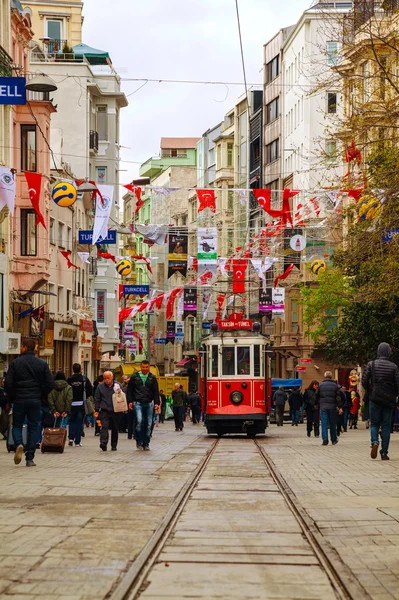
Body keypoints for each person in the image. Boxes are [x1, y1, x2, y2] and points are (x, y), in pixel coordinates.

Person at [4, 338, 53, 466]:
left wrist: (13, 396)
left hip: (19, 399)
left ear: (24, 347)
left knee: (17, 425)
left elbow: (8, 383)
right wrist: (41, 395)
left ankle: (19, 443)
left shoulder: (15, 363)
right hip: (35, 400)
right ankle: (30, 457)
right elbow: (49, 383)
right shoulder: (42, 364)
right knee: (33, 427)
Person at [362, 342, 399, 460]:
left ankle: (374, 442)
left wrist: (371, 390)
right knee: (387, 426)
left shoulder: (371, 364)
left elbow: (364, 381)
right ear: (389, 352)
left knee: (374, 423)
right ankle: (384, 452)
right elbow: (398, 384)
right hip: (388, 399)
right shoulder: (394, 366)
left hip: (375, 398)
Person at [127, 360, 159, 451]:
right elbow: (130, 390)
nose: (145, 369)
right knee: (139, 421)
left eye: (146, 367)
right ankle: (139, 441)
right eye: (143, 367)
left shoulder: (152, 377)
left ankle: (146, 443)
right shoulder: (135, 376)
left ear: (149, 367)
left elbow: (156, 391)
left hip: (149, 403)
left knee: (149, 424)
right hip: (138, 403)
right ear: (140, 367)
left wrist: (157, 403)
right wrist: (130, 401)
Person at [94, 370, 121, 451]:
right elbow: (97, 398)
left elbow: (123, 396)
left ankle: (114, 445)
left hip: (115, 410)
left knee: (115, 428)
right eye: (105, 378)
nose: (106, 380)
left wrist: (120, 392)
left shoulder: (117, 385)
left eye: (108, 378)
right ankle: (103, 443)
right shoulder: (100, 387)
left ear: (112, 378)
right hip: (104, 410)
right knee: (104, 427)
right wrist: (96, 409)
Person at [67, 364, 93, 447]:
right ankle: (77, 441)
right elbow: (90, 390)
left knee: (71, 421)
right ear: (81, 369)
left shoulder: (69, 379)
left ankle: (71, 437)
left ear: (72, 369)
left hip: (71, 403)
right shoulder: (84, 379)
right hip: (81, 403)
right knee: (79, 422)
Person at [316, 371, 342, 446]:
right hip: (332, 407)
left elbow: (316, 395)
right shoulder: (335, 386)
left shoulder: (320, 385)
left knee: (324, 423)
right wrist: (340, 407)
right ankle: (333, 439)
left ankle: (325, 440)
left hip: (323, 406)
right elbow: (338, 397)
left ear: (325, 376)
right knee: (332, 423)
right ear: (331, 377)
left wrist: (315, 404)